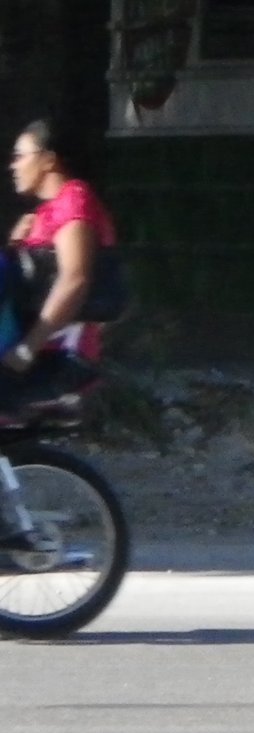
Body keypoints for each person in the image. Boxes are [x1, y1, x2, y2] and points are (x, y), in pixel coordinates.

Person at [0, 118, 114, 547]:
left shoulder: (74, 201)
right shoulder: (45, 215)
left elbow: (74, 280)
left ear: (48, 160)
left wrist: (27, 349)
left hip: (58, 356)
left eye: (20, 155)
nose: (13, 165)